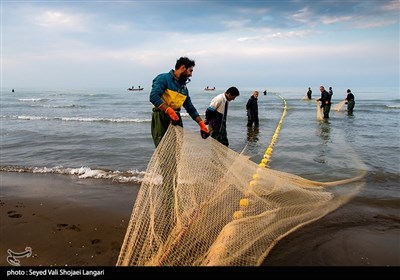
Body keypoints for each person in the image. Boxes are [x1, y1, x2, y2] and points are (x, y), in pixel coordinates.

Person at [149, 56, 209, 147]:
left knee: (177, 148)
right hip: (161, 117)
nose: (191, 74)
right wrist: (169, 110)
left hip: (176, 118)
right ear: (183, 68)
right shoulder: (163, 78)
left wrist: (201, 124)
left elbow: (190, 108)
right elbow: (153, 97)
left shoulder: (183, 88)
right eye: (190, 71)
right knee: (164, 149)